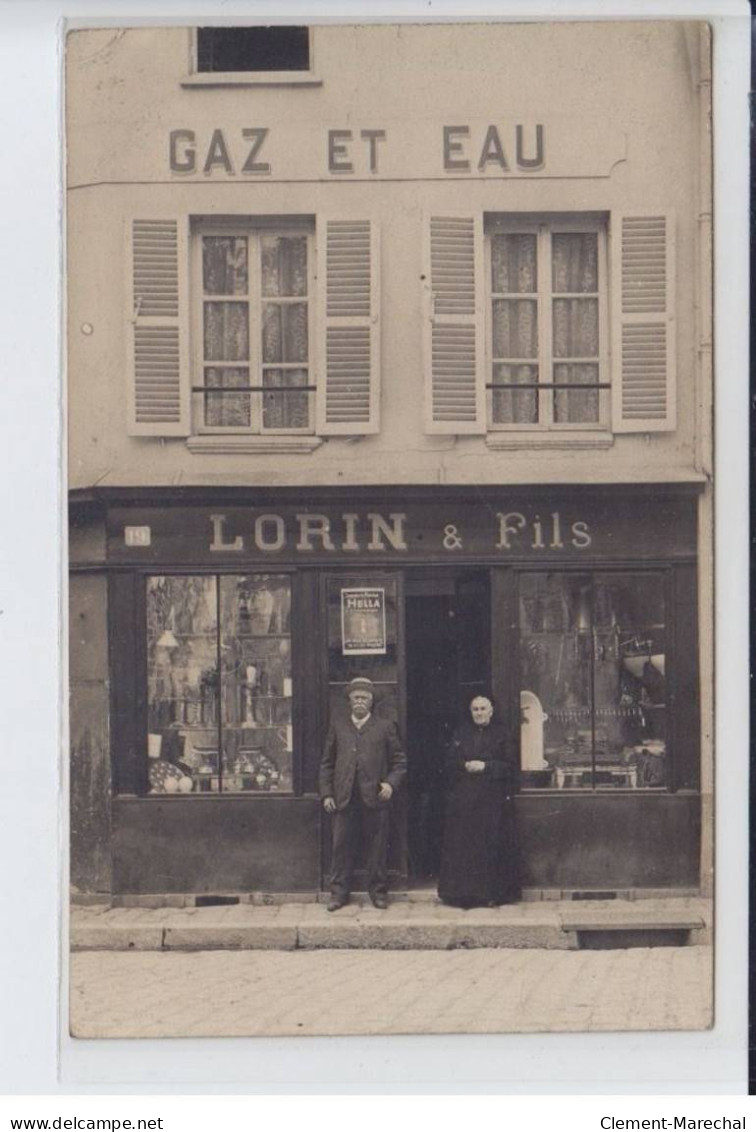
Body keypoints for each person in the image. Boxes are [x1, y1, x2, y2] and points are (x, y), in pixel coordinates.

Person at [320, 676, 407, 911]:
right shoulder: (338, 725)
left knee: (377, 848)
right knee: (341, 847)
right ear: (349, 700)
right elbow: (327, 763)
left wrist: (389, 784)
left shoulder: (385, 726)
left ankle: (378, 893)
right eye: (356, 697)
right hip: (343, 798)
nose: (360, 702)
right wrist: (327, 793)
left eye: (364, 698)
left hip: (375, 798)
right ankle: (338, 894)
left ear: (371, 702)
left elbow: (400, 762)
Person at [437, 694, 520, 908]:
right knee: (464, 847)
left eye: (483, 709)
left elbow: (510, 766)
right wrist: (463, 765)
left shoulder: (503, 734)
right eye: (475, 709)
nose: (479, 713)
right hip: (464, 801)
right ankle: (461, 895)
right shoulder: (461, 733)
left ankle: (490, 895)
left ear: (491, 711)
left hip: (492, 801)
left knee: (490, 846)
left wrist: (486, 767)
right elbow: (448, 762)